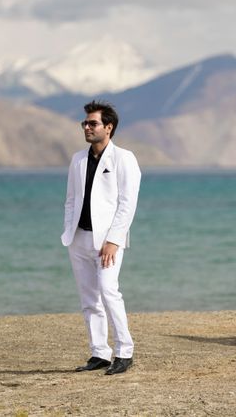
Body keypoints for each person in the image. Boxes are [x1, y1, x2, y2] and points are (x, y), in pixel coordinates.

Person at [61, 100, 141, 375]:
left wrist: (114, 240)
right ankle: (100, 353)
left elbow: (127, 203)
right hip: (78, 239)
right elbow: (71, 200)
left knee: (109, 291)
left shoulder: (124, 158)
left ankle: (125, 352)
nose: (87, 127)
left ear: (108, 127)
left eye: (92, 123)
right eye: (85, 123)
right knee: (88, 299)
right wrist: (68, 232)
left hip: (107, 242)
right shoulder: (77, 160)